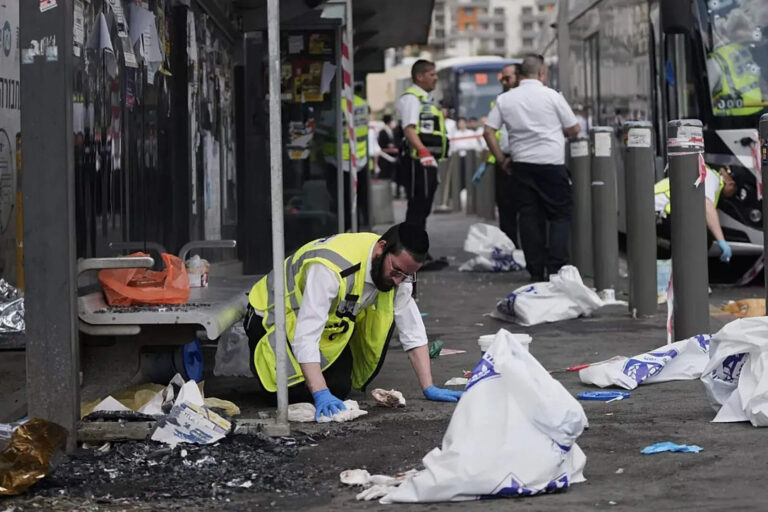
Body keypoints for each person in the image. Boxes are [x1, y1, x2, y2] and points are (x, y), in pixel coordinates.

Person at [245, 223, 463, 421]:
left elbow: (411, 328)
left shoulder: (399, 272)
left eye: (406, 276)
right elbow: (306, 334)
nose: (398, 281)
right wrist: (320, 393)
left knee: (339, 386)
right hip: (272, 318)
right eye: (396, 271)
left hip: (321, 325)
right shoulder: (330, 269)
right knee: (289, 393)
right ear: (381, 247)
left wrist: (429, 386)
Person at [483, 55, 580, 282]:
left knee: (528, 216)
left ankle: (535, 270)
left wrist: (501, 159)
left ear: (520, 74)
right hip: (551, 165)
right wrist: (556, 132)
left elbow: (488, 131)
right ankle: (556, 268)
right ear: (542, 72)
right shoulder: (552, 96)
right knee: (559, 215)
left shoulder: (505, 99)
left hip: (521, 166)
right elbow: (574, 128)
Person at [396, 59, 449, 266]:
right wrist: (423, 151)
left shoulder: (425, 99)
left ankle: (418, 252)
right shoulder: (412, 99)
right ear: (420, 76)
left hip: (425, 161)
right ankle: (411, 253)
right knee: (417, 207)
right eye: (432, 74)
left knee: (423, 207)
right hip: (417, 161)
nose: (435, 78)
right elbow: (409, 129)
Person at [654, 165, 737, 262]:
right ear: (731, 184)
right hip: (658, 213)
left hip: (659, 215)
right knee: (701, 238)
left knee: (666, 251)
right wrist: (721, 241)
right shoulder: (711, 177)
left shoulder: (708, 177)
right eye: (734, 192)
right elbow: (707, 206)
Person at [323, 86, 370, 230]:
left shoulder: (335, 104)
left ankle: (345, 228)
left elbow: (324, 128)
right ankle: (360, 226)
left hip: (339, 159)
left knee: (341, 200)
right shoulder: (361, 102)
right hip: (360, 156)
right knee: (359, 198)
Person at [487, 63, 520, 245]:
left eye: (508, 78)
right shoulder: (499, 101)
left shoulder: (529, 98)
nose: (505, 82)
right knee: (506, 210)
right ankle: (511, 248)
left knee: (527, 210)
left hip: (523, 159)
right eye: (503, 79)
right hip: (505, 161)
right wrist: (500, 159)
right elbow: (490, 132)